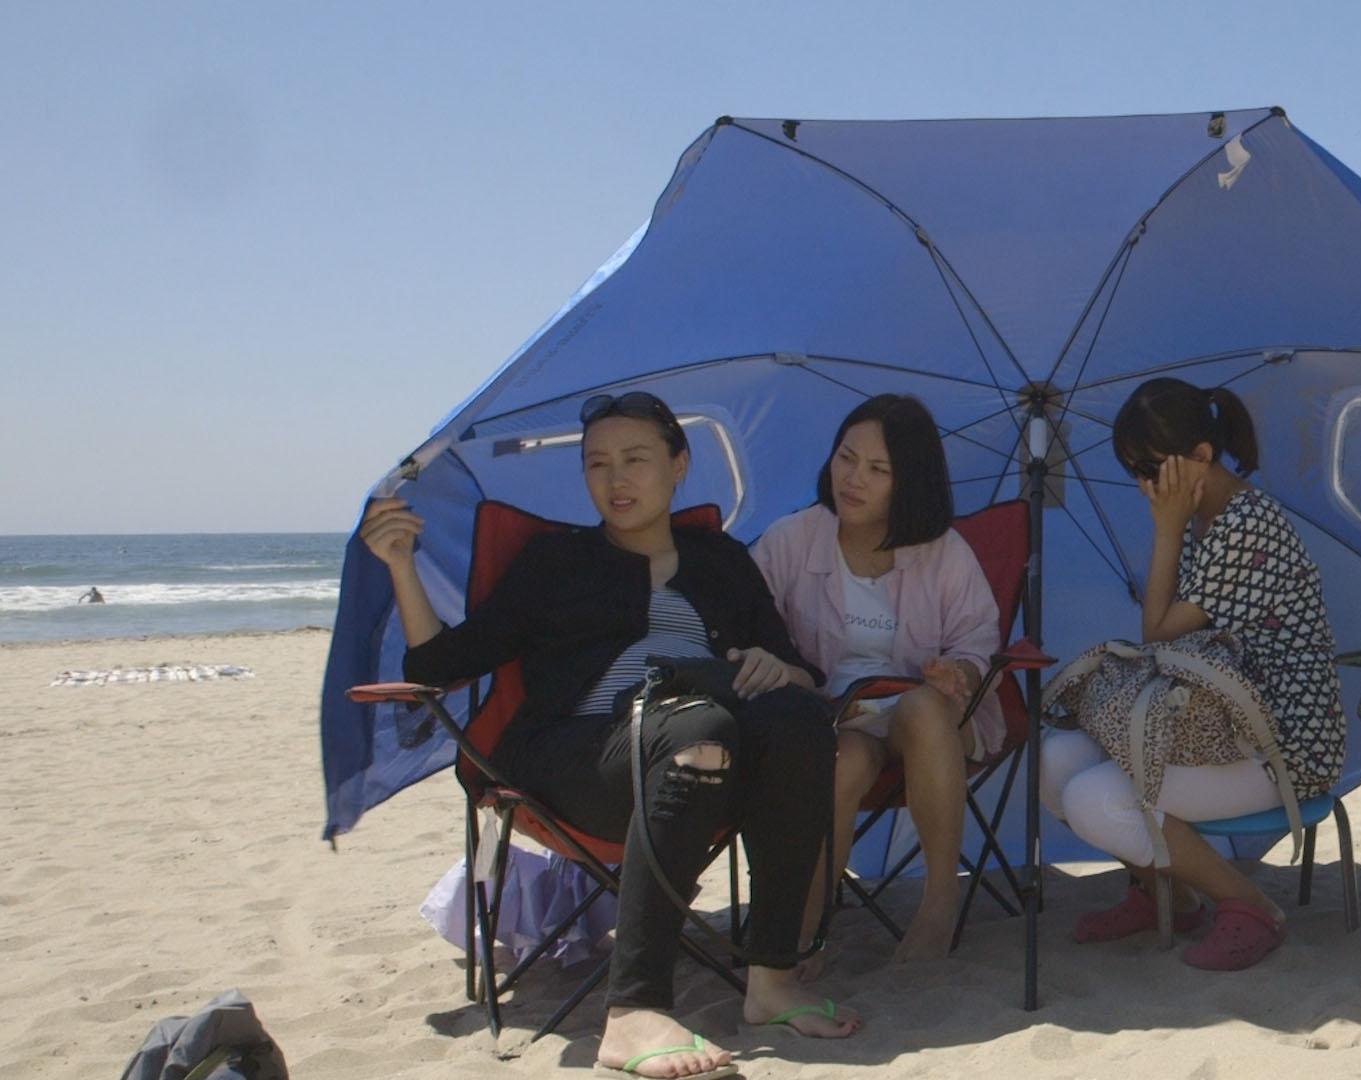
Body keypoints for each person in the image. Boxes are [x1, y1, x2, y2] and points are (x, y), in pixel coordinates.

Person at [361, 391, 855, 1080]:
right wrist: (400, 565)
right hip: (579, 757)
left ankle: (770, 981)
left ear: (678, 464)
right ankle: (634, 1012)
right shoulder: (552, 565)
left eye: (635, 460)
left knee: (799, 721)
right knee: (700, 725)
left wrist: (782, 670)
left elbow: (801, 671)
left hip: (708, 756)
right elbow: (440, 667)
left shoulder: (722, 560)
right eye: (597, 464)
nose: (615, 479)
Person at [1040, 377, 1344, 971]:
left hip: (1279, 743)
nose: (1144, 486)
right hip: (1218, 722)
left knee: (1093, 798)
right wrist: (1175, 526)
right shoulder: (1207, 519)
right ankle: (1166, 894)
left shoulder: (1245, 523)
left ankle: (1251, 905)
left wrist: (1165, 528)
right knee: (1054, 760)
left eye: (1152, 468)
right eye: (1133, 470)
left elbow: (1158, 631)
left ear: (1201, 457)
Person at [751, 393, 1002, 965]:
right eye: (846, 457)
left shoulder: (945, 552)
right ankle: (806, 923)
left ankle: (939, 902)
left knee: (920, 707)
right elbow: (748, 621)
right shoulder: (791, 540)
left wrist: (956, 671)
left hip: (933, 719)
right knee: (843, 763)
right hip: (835, 717)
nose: (853, 478)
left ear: (907, 481)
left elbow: (977, 639)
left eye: (878, 469)